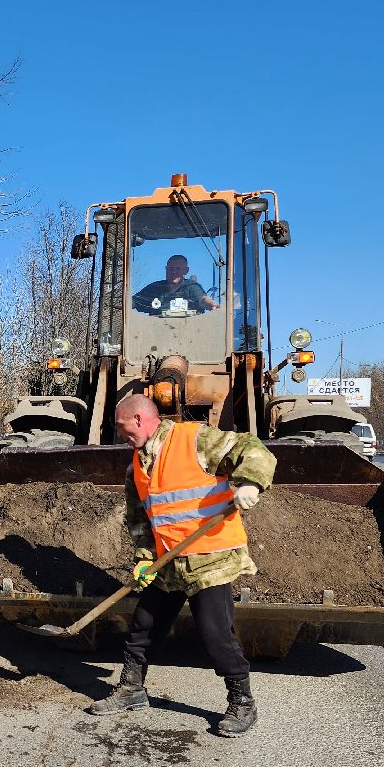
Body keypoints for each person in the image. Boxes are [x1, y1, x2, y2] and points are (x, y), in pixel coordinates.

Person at [90, 394, 276, 737]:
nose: (119, 434)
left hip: (209, 558)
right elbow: (140, 520)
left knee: (215, 634)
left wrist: (250, 481)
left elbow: (253, 448)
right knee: (144, 626)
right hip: (168, 562)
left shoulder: (194, 439)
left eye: (121, 426)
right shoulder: (137, 466)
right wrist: (144, 558)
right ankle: (132, 689)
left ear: (139, 419)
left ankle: (242, 702)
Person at [132, 254, 218, 316]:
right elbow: (133, 302)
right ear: (166, 269)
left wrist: (213, 306)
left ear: (186, 271)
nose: (173, 272)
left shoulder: (191, 287)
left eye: (178, 268)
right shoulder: (154, 288)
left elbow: (203, 299)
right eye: (170, 268)